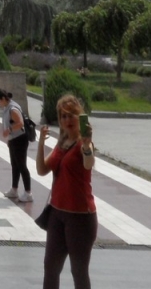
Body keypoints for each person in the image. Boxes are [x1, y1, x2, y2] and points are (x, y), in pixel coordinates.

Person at [37, 94, 97, 289]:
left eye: (71, 115)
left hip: (80, 216)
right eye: (63, 116)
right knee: (50, 267)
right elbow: (42, 170)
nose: (67, 120)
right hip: (57, 213)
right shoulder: (61, 143)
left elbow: (88, 164)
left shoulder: (83, 144)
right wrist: (40, 144)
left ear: (79, 116)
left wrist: (87, 146)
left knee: (78, 271)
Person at [0, 88, 33, 203]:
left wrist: (9, 130)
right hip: (14, 140)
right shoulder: (7, 107)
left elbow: (20, 123)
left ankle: (28, 193)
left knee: (22, 165)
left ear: (3, 98)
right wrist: (10, 139)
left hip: (20, 139)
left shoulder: (12, 108)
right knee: (15, 165)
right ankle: (14, 189)